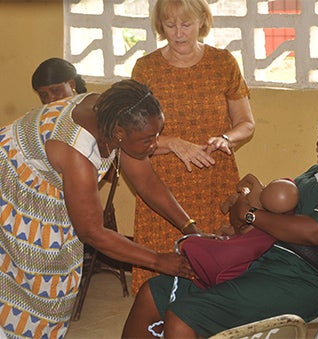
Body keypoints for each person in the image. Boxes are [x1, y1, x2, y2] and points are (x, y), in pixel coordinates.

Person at [121, 90, 318, 338]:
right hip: (262, 262)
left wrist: (252, 216)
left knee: (184, 316)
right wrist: (242, 226)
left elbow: (315, 232)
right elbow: (281, 207)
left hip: (300, 280)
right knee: (153, 293)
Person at [0, 79, 198, 339]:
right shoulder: (77, 151)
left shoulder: (115, 117)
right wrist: (157, 260)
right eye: (149, 138)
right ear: (118, 133)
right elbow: (92, 233)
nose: (156, 145)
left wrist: (190, 227)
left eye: (158, 134)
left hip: (46, 183)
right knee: (35, 284)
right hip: (13, 182)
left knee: (59, 279)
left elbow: (147, 182)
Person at [130, 0, 255, 293]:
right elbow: (134, 140)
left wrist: (226, 139)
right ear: (161, 26)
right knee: (162, 276)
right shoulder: (146, 69)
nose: (178, 33)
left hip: (214, 179)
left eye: (186, 24)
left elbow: (246, 124)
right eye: (170, 25)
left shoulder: (223, 63)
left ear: (201, 21)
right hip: (162, 186)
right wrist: (172, 143)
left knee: (218, 268)